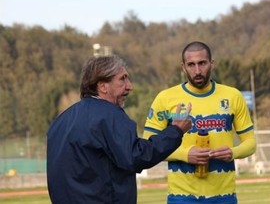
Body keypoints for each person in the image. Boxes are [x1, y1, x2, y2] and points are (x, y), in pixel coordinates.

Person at [47, 55, 192, 204]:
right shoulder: (109, 115)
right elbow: (136, 156)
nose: (129, 86)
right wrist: (176, 131)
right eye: (122, 79)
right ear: (102, 86)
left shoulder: (60, 122)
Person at [144, 41, 257, 203]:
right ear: (183, 67)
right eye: (191, 65)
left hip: (224, 196)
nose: (197, 71)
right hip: (181, 197)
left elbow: (251, 143)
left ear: (212, 63)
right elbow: (149, 145)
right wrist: (185, 154)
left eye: (202, 63)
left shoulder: (233, 96)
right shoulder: (165, 99)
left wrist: (232, 152)